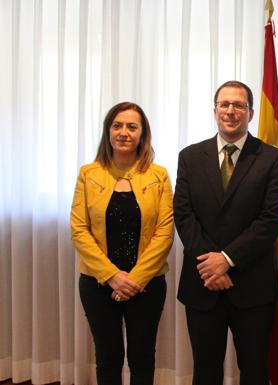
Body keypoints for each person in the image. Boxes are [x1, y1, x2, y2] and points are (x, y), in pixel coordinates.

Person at [174, 80, 278, 385]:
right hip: (203, 282)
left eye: (239, 105)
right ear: (215, 111)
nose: (231, 111)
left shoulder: (271, 158)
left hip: (252, 285)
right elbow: (183, 215)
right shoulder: (190, 157)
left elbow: (270, 219)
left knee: (254, 371)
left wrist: (227, 259)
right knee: (205, 371)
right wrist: (211, 264)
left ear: (250, 113)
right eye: (224, 104)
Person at [70, 102, 174, 385]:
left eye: (132, 126)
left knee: (142, 357)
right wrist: (113, 276)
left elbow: (164, 232)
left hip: (148, 283)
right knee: (107, 357)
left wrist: (135, 279)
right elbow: (79, 229)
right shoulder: (88, 173)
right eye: (117, 126)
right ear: (108, 132)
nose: (124, 132)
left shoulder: (159, 175)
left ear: (143, 134)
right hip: (97, 282)